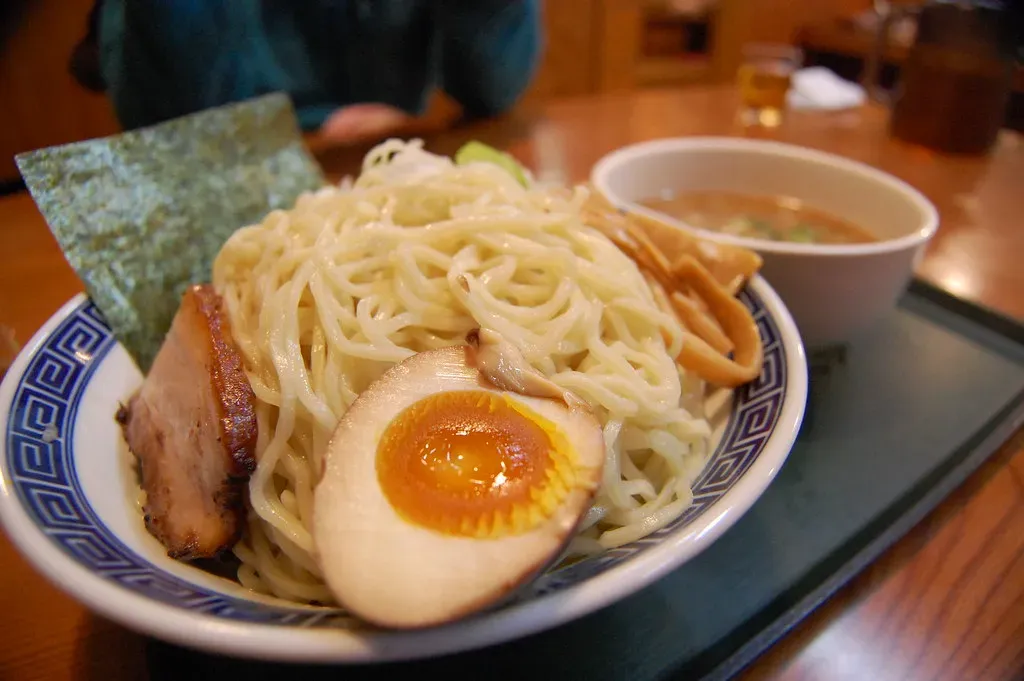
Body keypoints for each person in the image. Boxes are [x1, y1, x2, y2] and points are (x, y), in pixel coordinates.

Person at [71, 1, 542, 143]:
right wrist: (311, 128)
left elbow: (493, 90)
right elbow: (175, 133)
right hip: (241, 190)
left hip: (388, 171)